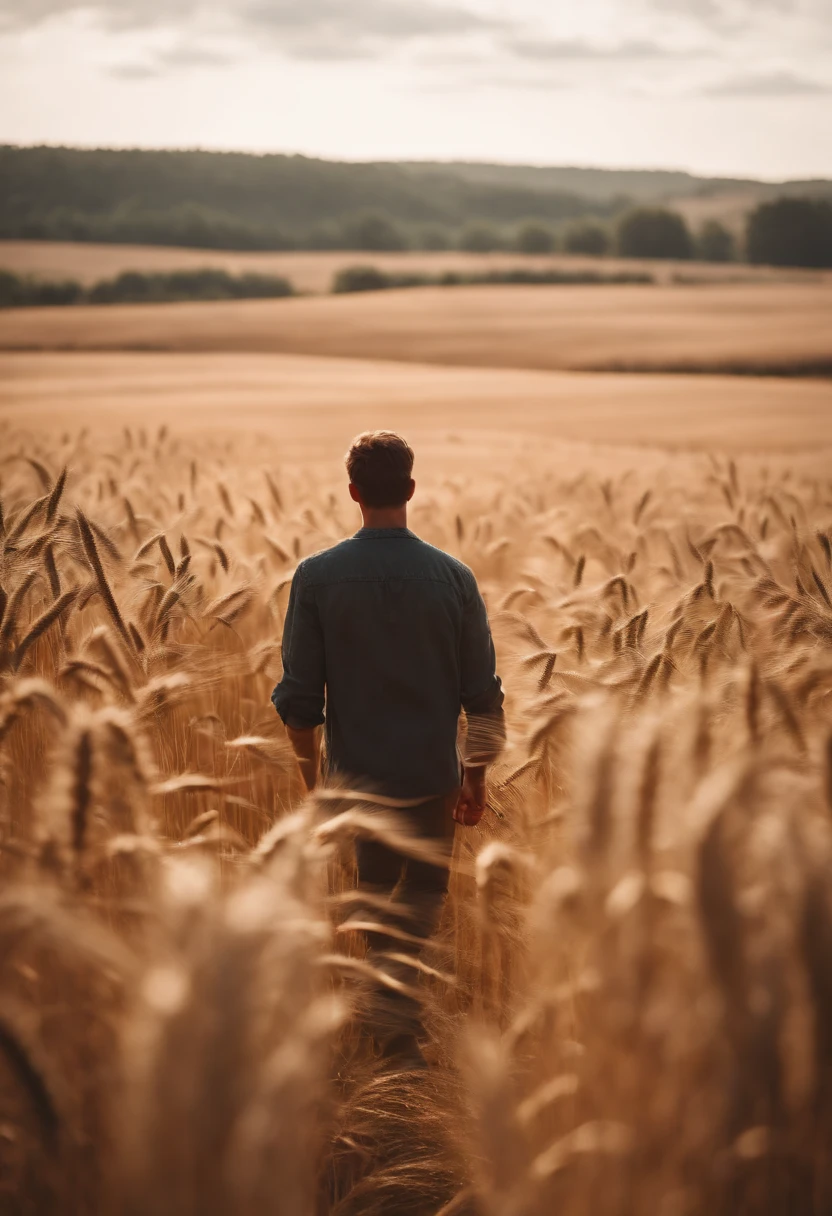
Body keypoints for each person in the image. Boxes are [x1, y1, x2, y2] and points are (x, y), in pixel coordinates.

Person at [271, 430, 505, 1063]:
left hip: (357, 781)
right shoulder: (453, 579)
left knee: (375, 899)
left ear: (354, 493)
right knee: (424, 899)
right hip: (433, 777)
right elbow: (483, 695)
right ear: (410, 488)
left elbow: (299, 699)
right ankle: (399, 1025)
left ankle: (392, 1022)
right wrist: (474, 777)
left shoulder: (316, 578)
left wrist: (312, 784)